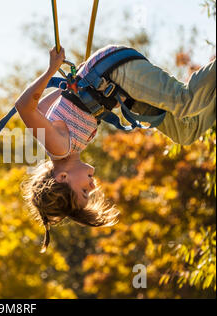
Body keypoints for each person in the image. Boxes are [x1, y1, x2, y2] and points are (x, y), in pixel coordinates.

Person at [16, 45, 216, 252]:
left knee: (186, 101)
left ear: (62, 178)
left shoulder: (58, 147)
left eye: (84, 191)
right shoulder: (70, 147)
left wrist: (52, 70)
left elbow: (24, 107)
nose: (93, 187)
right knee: (186, 133)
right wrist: (68, 86)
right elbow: (41, 109)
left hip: (114, 72)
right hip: (120, 88)